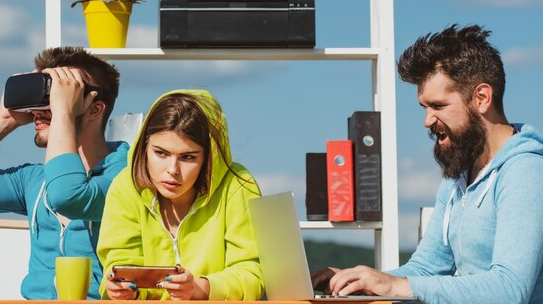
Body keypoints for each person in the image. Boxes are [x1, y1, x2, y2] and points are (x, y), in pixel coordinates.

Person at [311, 25, 543, 304]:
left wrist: (395, 286)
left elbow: (510, 289)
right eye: (424, 107)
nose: (427, 120)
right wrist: (358, 281)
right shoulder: (458, 172)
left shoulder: (525, 172)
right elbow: (425, 269)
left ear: (481, 98)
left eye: (439, 106)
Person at [0, 46, 128, 300]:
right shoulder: (32, 181)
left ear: (94, 109)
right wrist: (4, 118)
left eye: (58, 97)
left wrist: (62, 112)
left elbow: (68, 196)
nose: (40, 110)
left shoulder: (127, 176)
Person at [96, 89, 264, 300]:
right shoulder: (125, 186)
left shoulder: (239, 185)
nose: (172, 169)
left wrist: (200, 288)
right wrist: (126, 291)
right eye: (161, 153)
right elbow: (119, 263)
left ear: (209, 157)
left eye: (187, 157)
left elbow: (253, 271)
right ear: (144, 146)